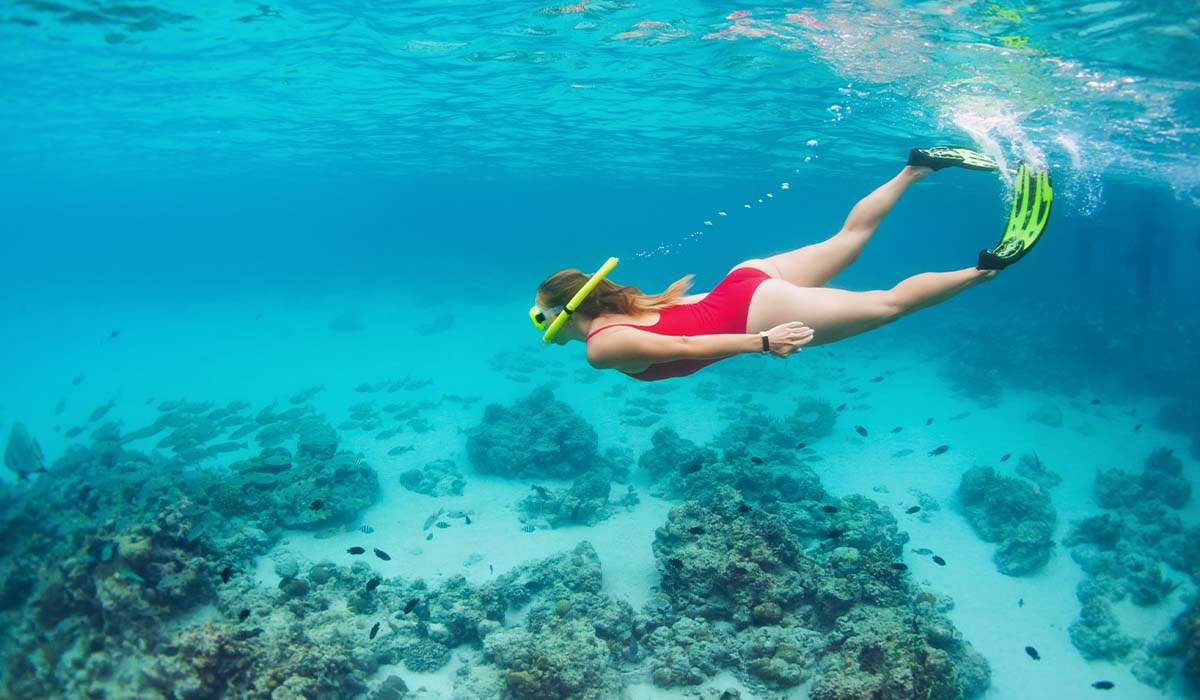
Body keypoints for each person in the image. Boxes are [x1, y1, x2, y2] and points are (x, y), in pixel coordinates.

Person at [529, 147, 1052, 382]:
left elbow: (686, 345)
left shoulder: (601, 347)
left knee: (890, 304)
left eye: (539, 315)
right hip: (745, 283)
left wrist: (764, 341)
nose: (540, 325)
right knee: (850, 238)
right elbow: (689, 316)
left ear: (567, 310)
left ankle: (990, 266)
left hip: (758, 315)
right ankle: (916, 168)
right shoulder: (627, 306)